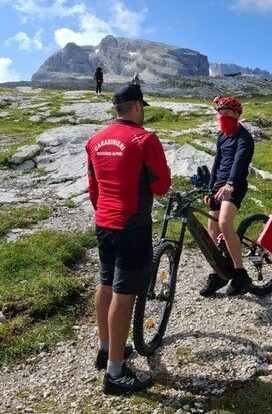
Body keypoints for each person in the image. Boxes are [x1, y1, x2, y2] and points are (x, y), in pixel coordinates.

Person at [85, 83, 171, 395]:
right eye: (143, 107)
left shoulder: (95, 140)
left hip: (103, 222)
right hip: (132, 225)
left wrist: (105, 211)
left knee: (105, 282)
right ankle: (116, 373)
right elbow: (161, 185)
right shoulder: (144, 139)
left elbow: (93, 188)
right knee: (125, 293)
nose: (144, 112)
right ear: (136, 106)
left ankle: (106, 349)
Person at [199, 96, 254, 297]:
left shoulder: (244, 138)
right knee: (211, 229)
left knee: (223, 223)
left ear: (237, 115)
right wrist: (209, 189)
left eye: (229, 113)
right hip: (218, 186)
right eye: (221, 114)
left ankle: (240, 274)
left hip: (235, 185)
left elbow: (239, 163)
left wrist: (230, 184)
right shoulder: (222, 137)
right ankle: (217, 275)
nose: (224, 117)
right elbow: (216, 163)